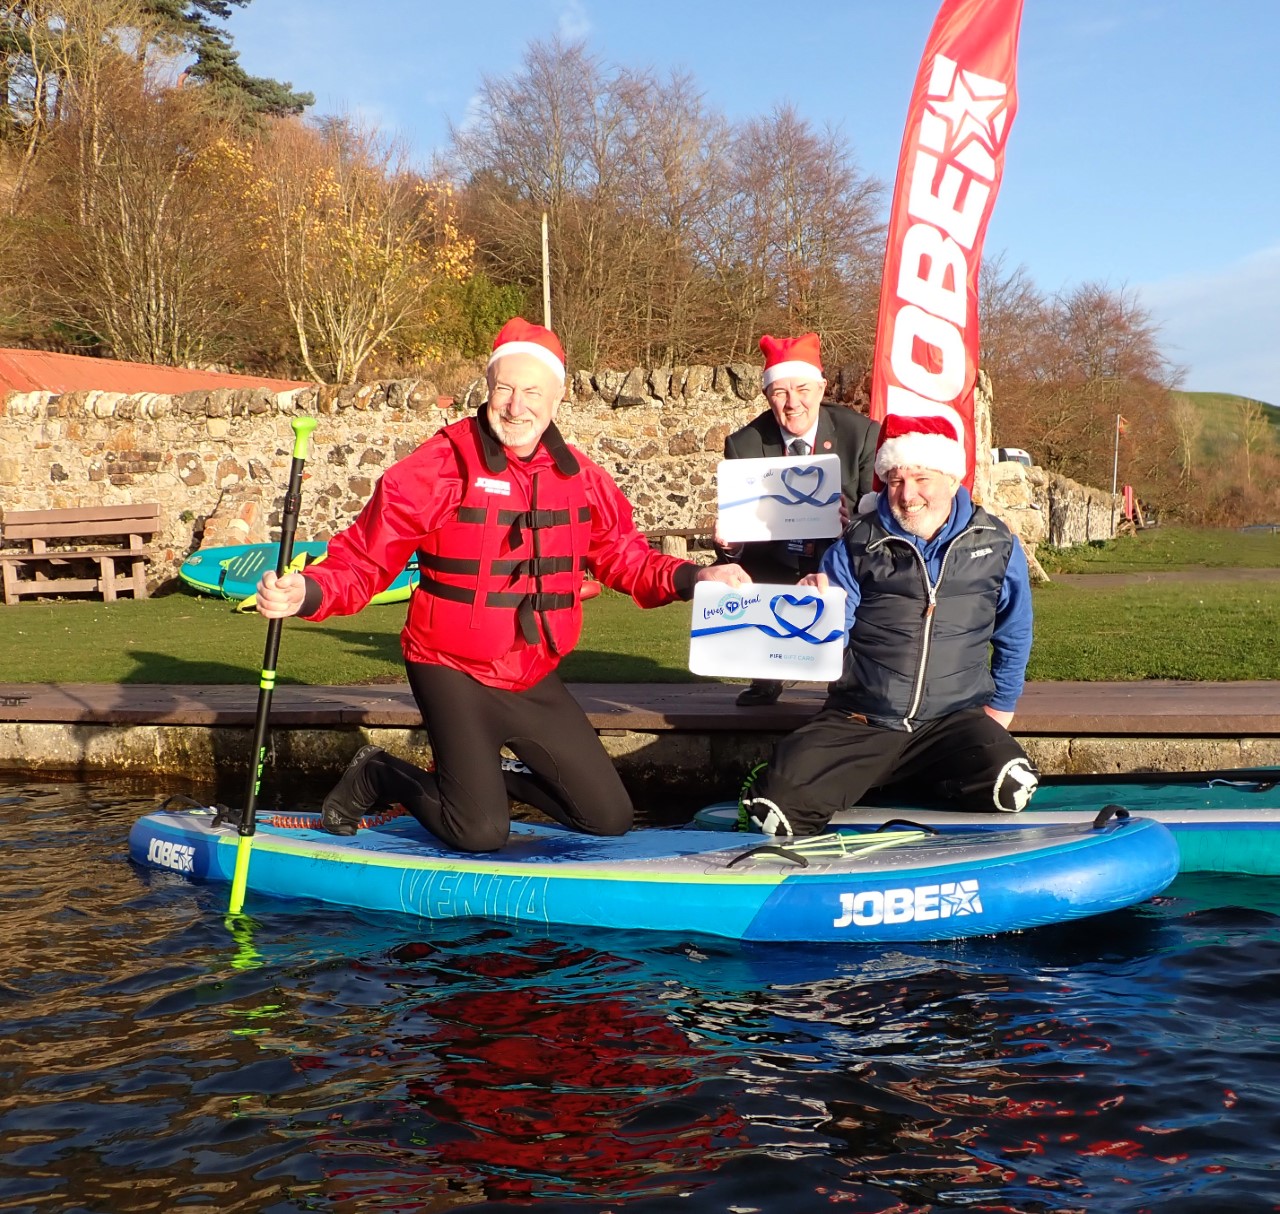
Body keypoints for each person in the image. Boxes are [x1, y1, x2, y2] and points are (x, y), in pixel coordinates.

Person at [255, 317, 750, 853]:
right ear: (488, 391)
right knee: (481, 832)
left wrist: (695, 576)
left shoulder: (581, 478)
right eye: (504, 388)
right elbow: (368, 556)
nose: (516, 405)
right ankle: (379, 774)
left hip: (530, 671)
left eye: (532, 391)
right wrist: (307, 592)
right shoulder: (441, 465)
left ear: (557, 398)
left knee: (608, 818)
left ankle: (481, 781)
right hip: (449, 666)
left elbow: (623, 556)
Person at [740, 410, 1038, 837]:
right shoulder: (855, 545)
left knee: (1011, 787)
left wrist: (1002, 706)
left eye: (922, 479)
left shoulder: (996, 543)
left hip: (952, 722)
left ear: (953, 480)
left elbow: (1014, 631)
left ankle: (903, 777)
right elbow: (829, 640)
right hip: (861, 719)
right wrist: (812, 614)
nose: (907, 494)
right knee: (776, 808)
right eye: (896, 480)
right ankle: (868, 776)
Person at [716, 332, 879, 706]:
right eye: (780, 393)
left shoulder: (861, 433)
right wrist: (731, 541)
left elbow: (878, 515)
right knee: (737, 571)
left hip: (839, 558)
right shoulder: (743, 444)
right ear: (766, 396)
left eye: (802, 389)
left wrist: (850, 521)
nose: (793, 404)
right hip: (776, 557)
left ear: (821, 388)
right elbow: (739, 535)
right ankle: (767, 670)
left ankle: (854, 674)